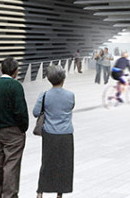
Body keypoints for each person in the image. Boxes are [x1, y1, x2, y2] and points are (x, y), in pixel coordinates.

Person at [0, 57, 28, 198]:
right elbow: (21, 111)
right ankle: (9, 195)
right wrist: (23, 128)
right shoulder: (15, 87)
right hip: (13, 132)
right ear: (15, 71)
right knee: (11, 165)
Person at [32, 65, 75, 197]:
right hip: (66, 135)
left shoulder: (44, 95)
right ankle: (59, 194)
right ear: (63, 78)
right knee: (64, 165)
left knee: (47, 163)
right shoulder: (70, 95)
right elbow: (71, 106)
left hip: (49, 135)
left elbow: (35, 113)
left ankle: (40, 192)